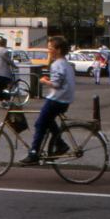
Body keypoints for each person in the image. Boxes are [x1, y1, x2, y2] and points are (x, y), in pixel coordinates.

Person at [20, 36, 74, 165]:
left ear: (58, 50)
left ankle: (34, 154)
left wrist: (44, 81)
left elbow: (55, 84)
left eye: (50, 48)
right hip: (65, 100)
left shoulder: (57, 64)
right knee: (49, 121)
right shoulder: (66, 64)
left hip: (56, 100)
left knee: (40, 125)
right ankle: (60, 143)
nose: (48, 50)